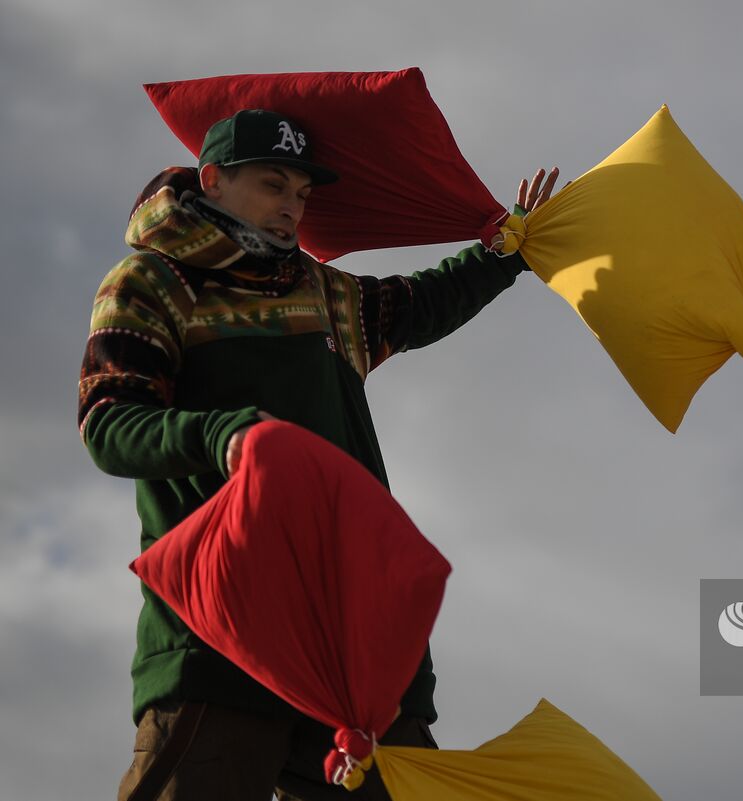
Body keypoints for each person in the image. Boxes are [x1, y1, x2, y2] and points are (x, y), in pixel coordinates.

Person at [78, 108, 558, 801]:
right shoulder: (149, 283)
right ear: (213, 180)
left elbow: (422, 303)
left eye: (302, 196)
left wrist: (508, 248)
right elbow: (110, 424)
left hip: (352, 647)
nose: (291, 210)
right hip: (222, 638)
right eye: (274, 186)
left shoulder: (321, 291)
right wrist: (226, 435)